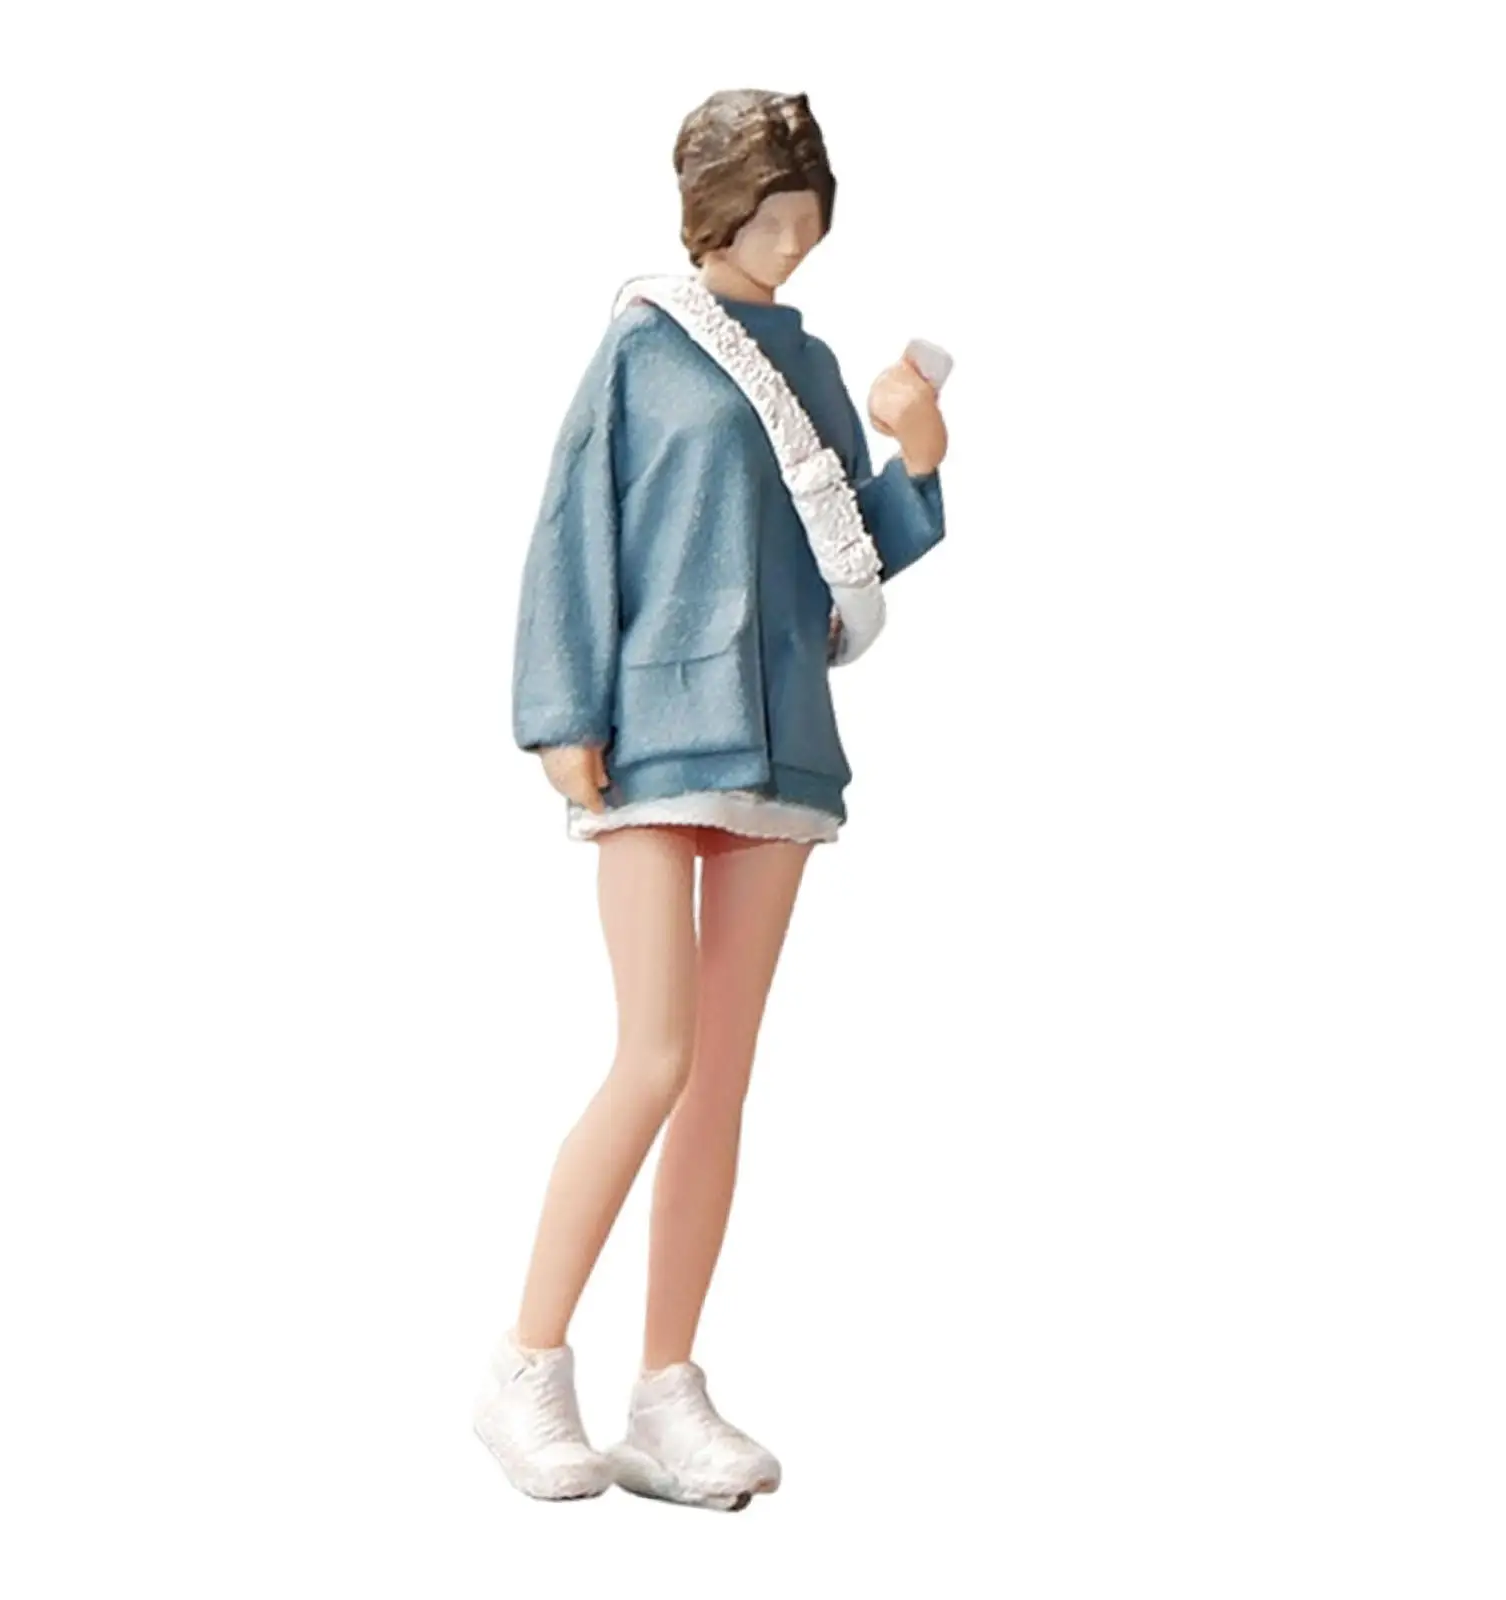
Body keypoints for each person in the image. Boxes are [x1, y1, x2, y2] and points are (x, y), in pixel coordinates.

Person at [475, 88, 950, 1511]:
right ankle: (525, 1366)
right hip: (651, 738)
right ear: (716, 210)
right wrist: (561, 714)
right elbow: (574, 526)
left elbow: (850, 547)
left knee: (723, 1074)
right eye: (773, 217)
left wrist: (921, 452)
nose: (794, 244)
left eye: (810, 220)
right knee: (655, 1057)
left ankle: (666, 1389)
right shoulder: (646, 345)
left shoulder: (809, 364)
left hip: (783, 741)